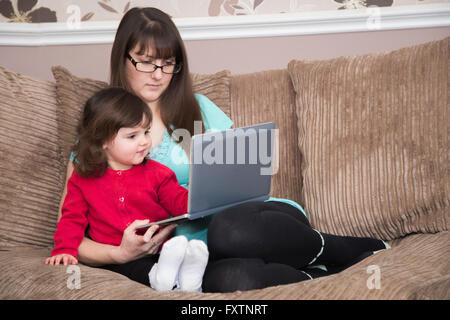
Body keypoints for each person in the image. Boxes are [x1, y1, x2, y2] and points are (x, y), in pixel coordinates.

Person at [55, 7, 389, 293]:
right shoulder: (97, 137)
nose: (158, 75)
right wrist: (120, 255)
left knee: (228, 231)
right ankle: (318, 274)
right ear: (122, 58)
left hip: (253, 222)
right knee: (230, 279)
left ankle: (339, 247)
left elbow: (243, 181)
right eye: (145, 62)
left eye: (168, 63)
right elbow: (70, 232)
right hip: (192, 252)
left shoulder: (198, 108)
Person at [46, 87, 209, 292]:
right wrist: (64, 249)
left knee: (170, 254)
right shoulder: (82, 179)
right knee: (132, 268)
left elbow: (178, 201)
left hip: (156, 249)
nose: (145, 141)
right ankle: (163, 279)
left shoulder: (158, 173)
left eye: (146, 132)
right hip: (116, 256)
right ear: (102, 140)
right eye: (132, 136)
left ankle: (188, 278)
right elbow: (71, 218)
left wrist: (201, 196)